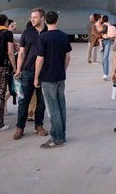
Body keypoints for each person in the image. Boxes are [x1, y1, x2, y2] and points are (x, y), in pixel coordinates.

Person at [35, 11, 72, 148]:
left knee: (52, 109)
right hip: (60, 76)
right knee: (61, 105)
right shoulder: (63, 36)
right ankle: (62, 134)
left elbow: (40, 59)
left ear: (45, 21)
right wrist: (63, 70)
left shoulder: (43, 37)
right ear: (57, 20)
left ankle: (56, 138)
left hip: (47, 77)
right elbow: (68, 57)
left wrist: (36, 77)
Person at [12, 8, 48, 140]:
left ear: (42, 18)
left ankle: (39, 125)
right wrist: (18, 70)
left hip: (44, 73)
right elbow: (21, 53)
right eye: (31, 17)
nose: (32, 19)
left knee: (41, 102)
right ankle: (20, 128)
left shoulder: (48, 32)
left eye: (35, 17)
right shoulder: (27, 33)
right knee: (23, 101)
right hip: (27, 72)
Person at [99, 15, 116, 80]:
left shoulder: (106, 25)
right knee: (104, 59)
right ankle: (104, 73)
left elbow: (99, 33)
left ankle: (105, 74)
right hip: (104, 41)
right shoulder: (109, 25)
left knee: (105, 58)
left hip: (106, 41)